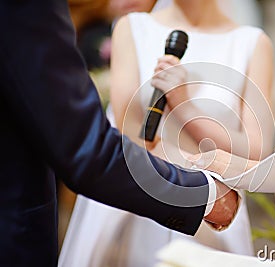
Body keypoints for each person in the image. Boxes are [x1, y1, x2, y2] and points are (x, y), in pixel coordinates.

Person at [0, 0, 239, 266]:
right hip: (138, 190)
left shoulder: (248, 40)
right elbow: (86, 145)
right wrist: (200, 193)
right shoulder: (130, 28)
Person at [60, 0, 275, 266]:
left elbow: (257, 150)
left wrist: (186, 107)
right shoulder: (132, 28)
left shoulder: (252, 43)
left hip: (212, 210)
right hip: (135, 203)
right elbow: (128, 133)